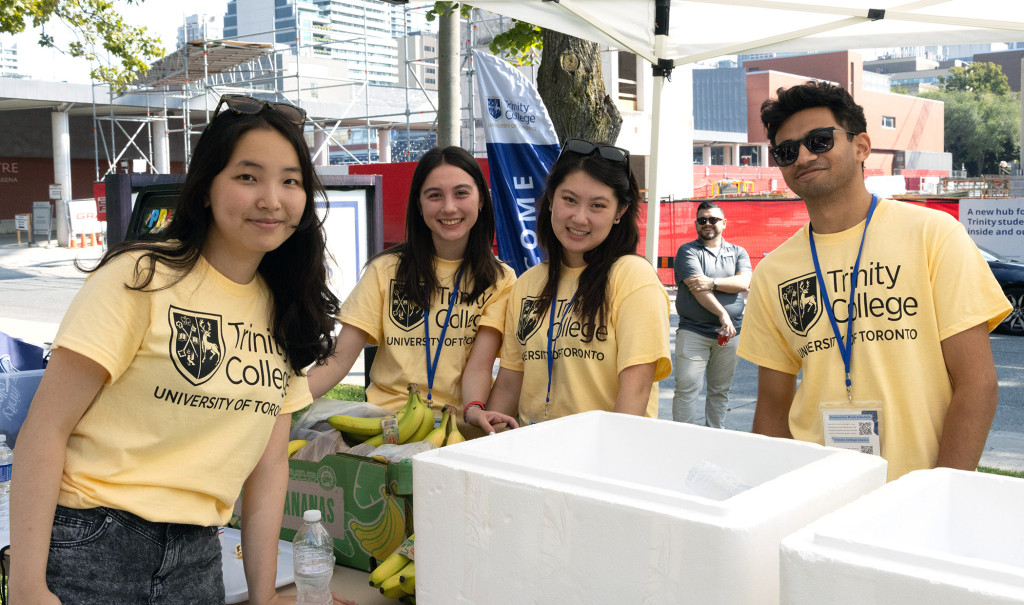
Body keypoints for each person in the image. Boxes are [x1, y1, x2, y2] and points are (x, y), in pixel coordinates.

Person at [11, 95, 355, 604]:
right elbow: (45, 428)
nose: (271, 199)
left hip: (198, 553)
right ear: (207, 189)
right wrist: (26, 587)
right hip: (93, 540)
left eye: (291, 180)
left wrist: (263, 597)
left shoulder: (286, 308)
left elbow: (268, 467)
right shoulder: (140, 276)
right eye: (247, 176)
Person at [739, 80, 1012, 481]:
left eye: (819, 140)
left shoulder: (932, 234)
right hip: (816, 497)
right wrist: (783, 498)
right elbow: (772, 407)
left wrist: (942, 494)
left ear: (861, 146)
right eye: (786, 150)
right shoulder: (774, 271)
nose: (802, 156)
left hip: (917, 494)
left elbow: (977, 383)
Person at [465, 138, 672, 433]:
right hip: (533, 455)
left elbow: (635, 392)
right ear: (550, 199)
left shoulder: (633, 277)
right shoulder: (527, 285)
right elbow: (510, 385)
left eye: (598, 205)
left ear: (620, 212)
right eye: (569, 199)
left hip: (597, 460)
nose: (579, 217)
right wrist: (483, 441)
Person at [307, 146, 515, 424]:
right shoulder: (386, 270)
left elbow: (480, 366)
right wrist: (276, 402)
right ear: (418, 203)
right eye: (434, 196)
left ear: (480, 200)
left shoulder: (500, 280)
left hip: (456, 427)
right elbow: (339, 360)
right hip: (384, 423)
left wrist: (474, 410)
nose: (449, 207)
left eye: (461, 193)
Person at [672, 200, 751, 428]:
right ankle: (683, 440)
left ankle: (715, 436)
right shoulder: (688, 251)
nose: (707, 224)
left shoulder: (738, 252)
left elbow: (744, 282)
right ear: (696, 224)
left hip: (729, 336)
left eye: (713, 219)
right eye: (702, 220)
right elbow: (698, 290)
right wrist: (723, 315)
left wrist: (713, 282)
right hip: (694, 332)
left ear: (724, 223)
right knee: (687, 388)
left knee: (720, 390)